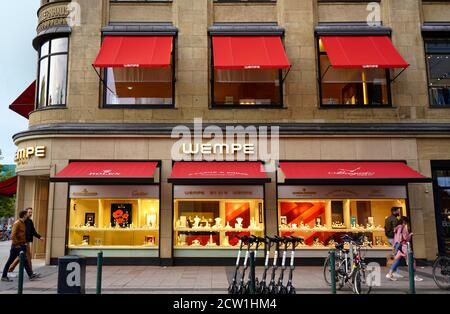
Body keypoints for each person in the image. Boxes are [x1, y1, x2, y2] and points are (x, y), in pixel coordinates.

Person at [1, 210, 38, 282]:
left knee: (24, 260)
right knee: (11, 261)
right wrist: (17, 244)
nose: (29, 214)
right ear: (24, 215)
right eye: (27, 213)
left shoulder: (23, 223)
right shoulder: (17, 223)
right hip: (17, 246)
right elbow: (13, 235)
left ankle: (30, 275)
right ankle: (4, 276)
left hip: (22, 245)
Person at [7, 208, 44, 276]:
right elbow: (14, 234)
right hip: (22, 243)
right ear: (25, 214)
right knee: (27, 257)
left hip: (25, 242)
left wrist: (39, 237)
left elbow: (33, 231)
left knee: (21, 257)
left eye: (31, 212)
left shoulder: (30, 221)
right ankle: (31, 273)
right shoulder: (21, 222)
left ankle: (10, 269)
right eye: (29, 212)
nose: (30, 214)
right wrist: (17, 243)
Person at [386, 217, 423, 282]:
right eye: (406, 222)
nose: (406, 223)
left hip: (399, 246)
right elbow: (405, 238)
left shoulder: (397, 227)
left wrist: (394, 246)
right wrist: (410, 235)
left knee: (397, 260)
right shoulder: (402, 227)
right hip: (403, 246)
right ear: (404, 221)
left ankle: (390, 273)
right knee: (411, 260)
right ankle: (414, 276)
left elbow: (396, 237)